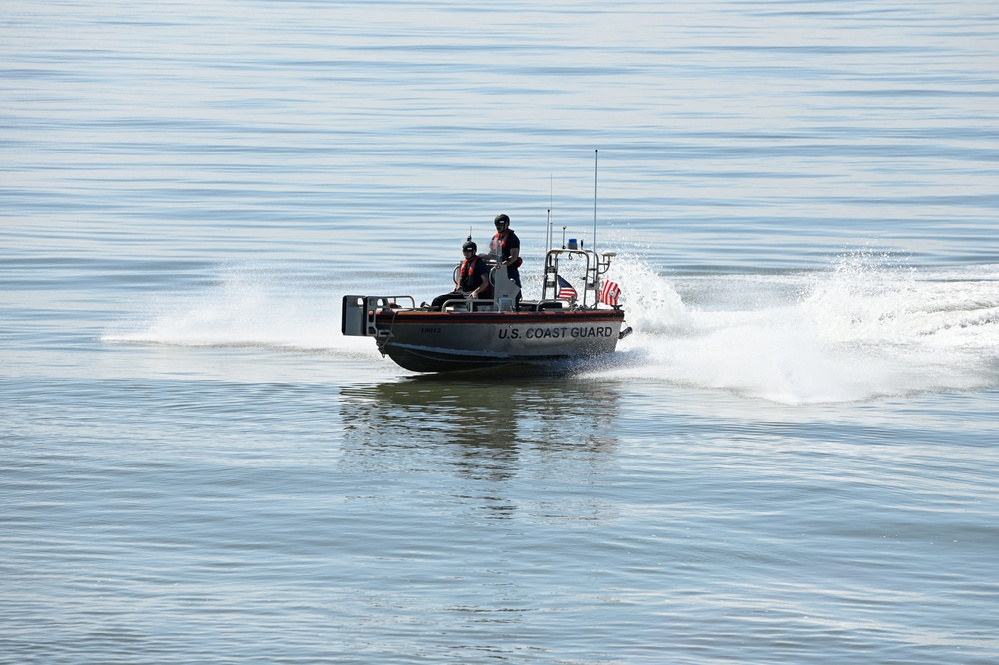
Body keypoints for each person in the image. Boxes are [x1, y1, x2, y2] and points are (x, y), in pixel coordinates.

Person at [431, 240, 492, 309]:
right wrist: (456, 288)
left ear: (474, 251)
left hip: (472, 292)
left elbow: (486, 282)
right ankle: (435, 317)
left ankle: (474, 319)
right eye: (464, 251)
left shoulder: (480, 263)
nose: (466, 253)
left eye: (468, 251)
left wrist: (476, 292)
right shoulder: (464, 263)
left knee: (471, 305)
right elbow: (461, 279)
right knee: (437, 300)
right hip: (462, 292)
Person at [489, 213, 522, 288]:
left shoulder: (512, 238)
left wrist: (502, 265)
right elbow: (491, 253)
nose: (498, 227)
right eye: (497, 225)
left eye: (500, 225)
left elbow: (514, 257)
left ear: (506, 224)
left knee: (513, 290)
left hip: (510, 270)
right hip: (497, 269)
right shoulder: (495, 238)